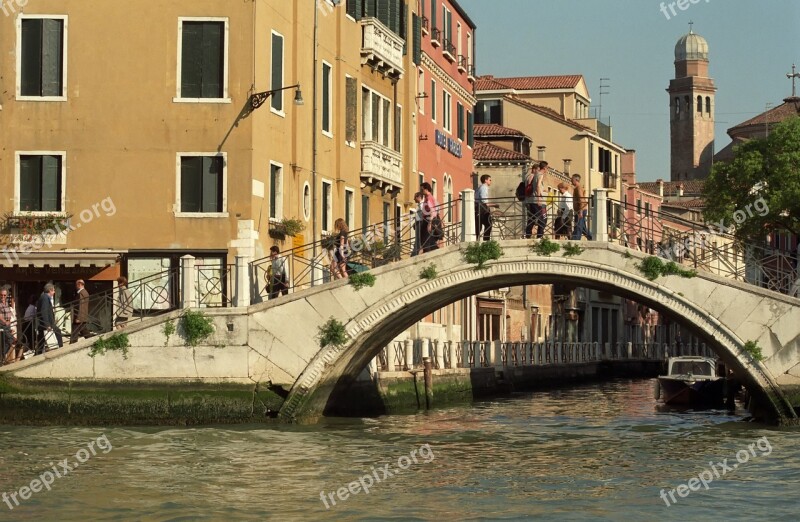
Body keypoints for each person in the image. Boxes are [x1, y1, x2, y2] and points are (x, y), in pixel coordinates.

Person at [36, 283, 63, 352]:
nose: (54, 292)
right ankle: (61, 349)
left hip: (43, 323)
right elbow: (44, 311)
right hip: (46, 323)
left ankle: (38, 352)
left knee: (41, 338)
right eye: (53, 290)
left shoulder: (44, 297)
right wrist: (47, 324)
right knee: (58, 332)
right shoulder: (45, 297)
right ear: (50, 290)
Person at [524, 162, 547, 238]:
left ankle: (528, 235)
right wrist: (539, 198)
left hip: (532, 200)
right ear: (545, 168)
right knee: (543, 219)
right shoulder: (540, 175)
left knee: (532, 218)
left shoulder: (535, 175)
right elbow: (537, 186)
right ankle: (540, 236)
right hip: (538, 201)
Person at [571, 174, 593, 241]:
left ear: (576, 180)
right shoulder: (578, 188)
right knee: (582, 227)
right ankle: (591, 237)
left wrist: (580, 211)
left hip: (580, 210)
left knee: (578, 226)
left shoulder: (578, 188)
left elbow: (581, 200)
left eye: (572, 179)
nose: (571, 180)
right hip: (581, 209)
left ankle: (576, 240)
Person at [475, 174, 497, 241]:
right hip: (482, 209)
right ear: (485, 180)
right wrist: (494, 205)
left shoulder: (479, 188)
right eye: (490, 180)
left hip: (479, 208)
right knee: (488, 224)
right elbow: (484, 201)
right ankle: (486, 240)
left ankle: (479, 239)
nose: (491, 181)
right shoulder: (483, 188)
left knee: (481, 225)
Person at [420, 182, 440, 252]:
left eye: (422, 190)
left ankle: (428, 254)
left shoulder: (429, 198)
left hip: (428, 219)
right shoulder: (429, 197)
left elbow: (432, 210)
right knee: (429, 239)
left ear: (426, 189)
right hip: (428, 219)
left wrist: (430, 223)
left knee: (425, 239)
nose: (421, 191)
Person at [0, 289, 19, 364]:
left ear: (6, 295)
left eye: (4, 295)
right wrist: (5, 322)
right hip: (3, 325)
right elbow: (0, 316)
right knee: (12, 339)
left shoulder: (6, 303)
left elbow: (9, 314)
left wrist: (10, 324)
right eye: (1, 295)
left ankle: (2, 356)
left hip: (8, 325)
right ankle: (1, 356)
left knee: (7, 341)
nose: (3, 296)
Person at [70, 279, 91, 344]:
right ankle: (92, 342)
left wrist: (78, 318)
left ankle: (71, 347)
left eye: (76, 285)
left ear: (79, 284)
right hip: (82, 317)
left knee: (74, 332)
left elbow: (81, 305)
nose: (75, 286)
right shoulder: (84, 292)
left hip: (79, 317)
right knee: (84, 331)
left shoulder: (81, 293)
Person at [411, 192, 424, 256]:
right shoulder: (418, 205)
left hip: (420, 223)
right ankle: (415, 251)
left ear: (419, 197)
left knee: (418, 238)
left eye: (415, 197)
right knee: (417, 238)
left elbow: (423, 214)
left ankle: (416, 252)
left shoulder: (422, 205)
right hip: (418, 223)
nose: (414, 199)